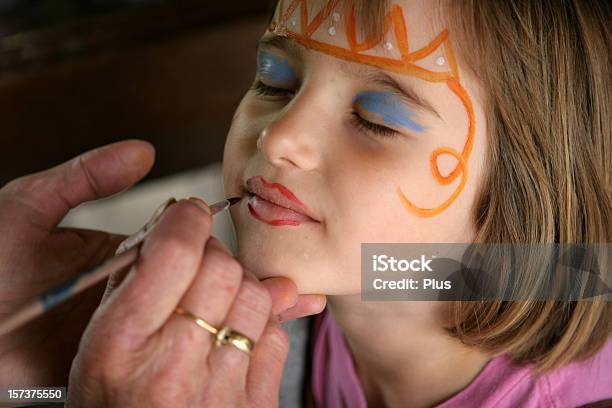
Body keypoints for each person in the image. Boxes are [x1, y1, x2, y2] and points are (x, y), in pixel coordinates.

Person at [1, 0, 611, 406]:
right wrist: (48, 380)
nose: (278, 137)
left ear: (523, 194)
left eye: (375, 120)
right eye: (274, 80)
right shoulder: (291, 309)